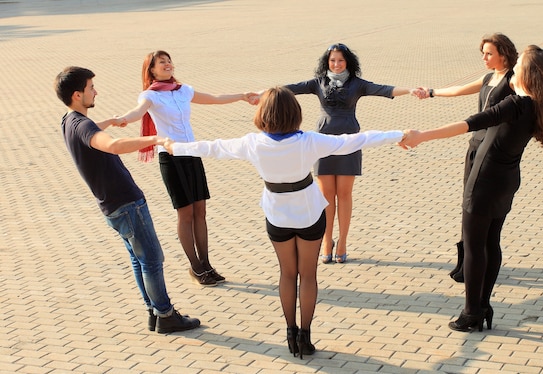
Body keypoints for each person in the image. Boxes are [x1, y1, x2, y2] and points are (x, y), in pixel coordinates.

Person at [163, 86, 416, 358]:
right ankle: (305, 336)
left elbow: (212, 147)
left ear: (263, 114)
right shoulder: (309, 140)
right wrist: (400, 135)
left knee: (287, 274)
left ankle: (290, 332)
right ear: (295, 113)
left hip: (277, 215)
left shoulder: (252, 142)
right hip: (308, 213)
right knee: (308, 275)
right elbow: (355, 140)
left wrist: (173, 147)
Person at [401, 45, 543, 332]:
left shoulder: (515, 104)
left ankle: (471, 313)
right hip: (507, 181)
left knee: (475, 245)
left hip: (485, 180)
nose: (515, 69)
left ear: (528, 73)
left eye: (521, 65)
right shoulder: (537, 105)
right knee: (491, 242)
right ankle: (483, 305)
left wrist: (422, 135)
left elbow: (469, 124)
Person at [54, 66, 201, 334]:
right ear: (77, 95)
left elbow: (90, 132)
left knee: (139, 258)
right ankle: (166, 315)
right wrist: (155, 139)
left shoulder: (69, 121)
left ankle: (154, 312)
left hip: (111, 205)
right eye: (90, 88)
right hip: (126, 202)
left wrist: (108, 122)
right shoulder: (84, 125)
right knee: (152, 260)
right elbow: (112, 145)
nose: (95, 91)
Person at [116, 50, 257, 286]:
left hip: (193, 153)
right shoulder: (150, 95)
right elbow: (137, 111)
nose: (168, 64)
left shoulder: (182, 90)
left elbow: (213, 98)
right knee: (186, 213)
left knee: (200, 211)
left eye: (169, 60)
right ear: (151, 70)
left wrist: (243, 95)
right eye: (162, 62)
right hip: (171, 157)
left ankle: (206, 264)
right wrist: (122, 119)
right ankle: (195, 266)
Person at [283, 43, 420, 264]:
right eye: (332, 61)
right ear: (326, 62)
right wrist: (259, 94)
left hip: (350, 142)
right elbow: (289, 89)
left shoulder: (357, 84)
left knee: (344, 194)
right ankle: (326, 241)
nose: (336, 65)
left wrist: (410, 90)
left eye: (340, 61)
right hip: (323, 142)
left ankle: (343, 241)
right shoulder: (318, 83)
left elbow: (385, 90)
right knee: (326, 196)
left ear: (348, 62)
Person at [415, 33, 518, 283]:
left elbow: (528, 101)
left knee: (479, 206)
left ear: (503, 54)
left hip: (494, 152)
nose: (484, 57)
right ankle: (465, 261)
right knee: (467, 202)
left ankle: (476, 260)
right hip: (475, 147)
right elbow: (460, 90)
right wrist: (431, 92)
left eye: (489, 53)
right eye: (483, 52)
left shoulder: (513, 80)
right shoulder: (489, 77)